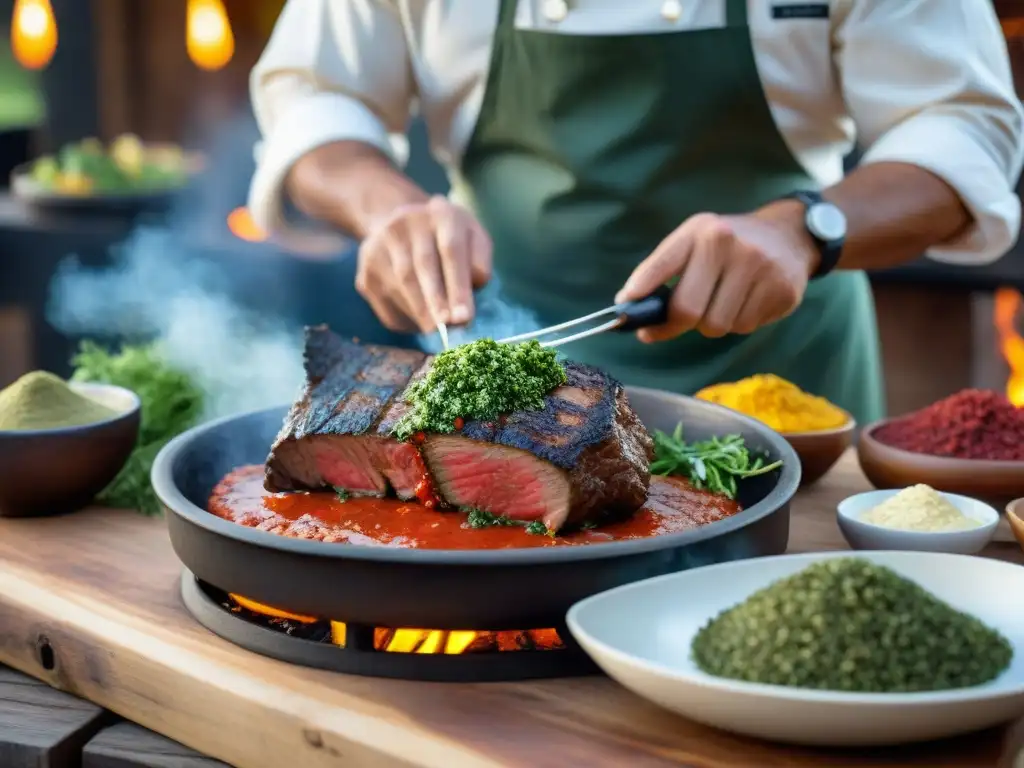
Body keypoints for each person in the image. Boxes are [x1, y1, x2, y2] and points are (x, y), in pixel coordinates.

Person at [247, 0, 1024, 424]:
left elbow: (962, 127)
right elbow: (316, 97)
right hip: (512, 394)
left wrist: (804, 229)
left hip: (784, 377)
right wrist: (388, 208)